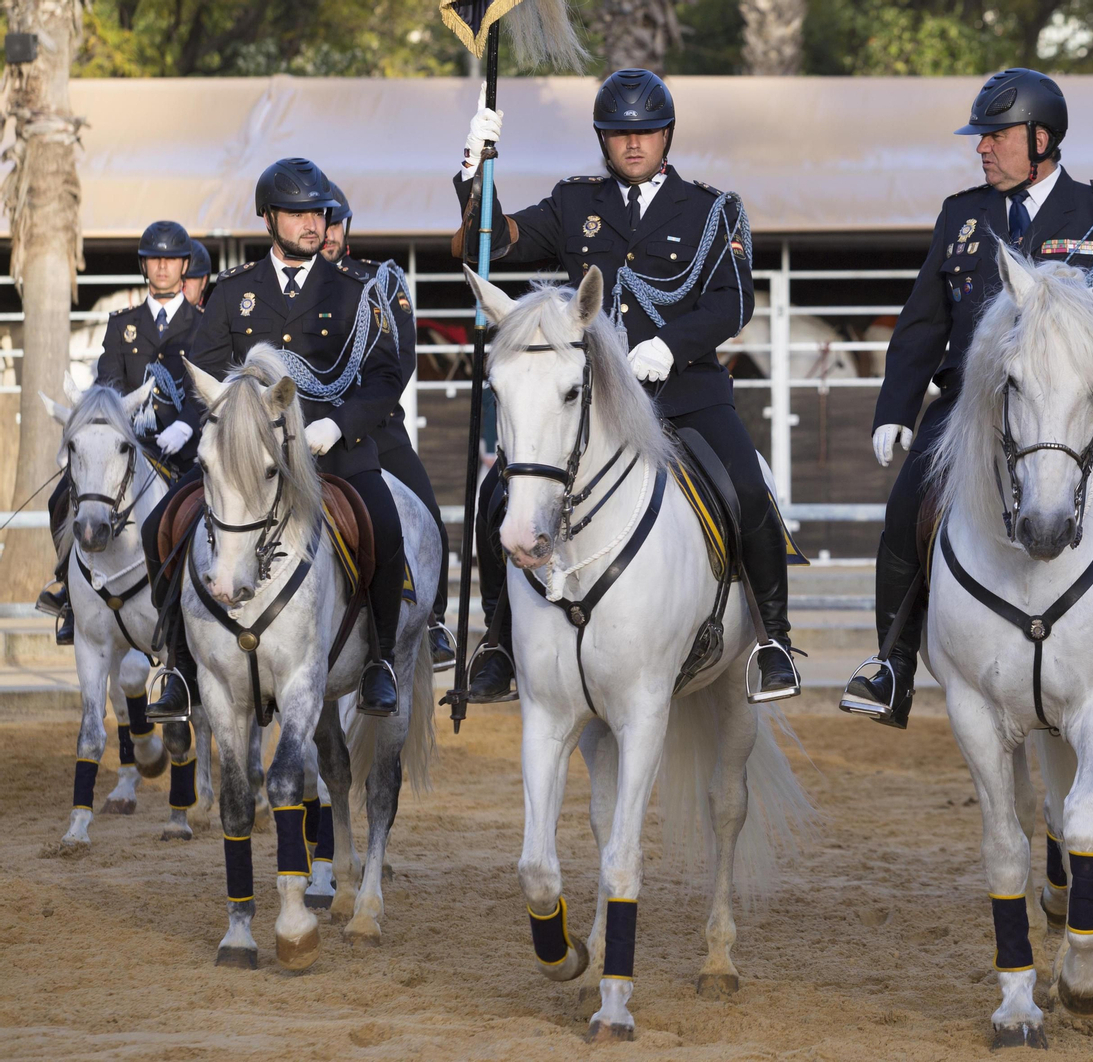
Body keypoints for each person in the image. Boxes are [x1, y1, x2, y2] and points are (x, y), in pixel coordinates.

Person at [838, 68, 1093, 729]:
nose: (982, 148)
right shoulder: (962, 215)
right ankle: (892, 664)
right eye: (981, 137)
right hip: (975, 405)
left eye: (996, 136)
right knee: (906, 509)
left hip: (1077, 403)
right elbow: (922, 323)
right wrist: (894, 408)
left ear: (1042, 138)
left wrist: (1083, 360)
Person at [453, 68, 798, 704]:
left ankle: (774, 640)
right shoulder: (575, 203)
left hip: (688, 392)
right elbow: (494, 246)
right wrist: (475, 173)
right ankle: (499, 642)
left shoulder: (713, 209)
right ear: (602, 139)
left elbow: (734, 301)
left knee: (748, 487)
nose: (633, 144)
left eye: (645, 132)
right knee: (497, 496)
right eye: (619, 134)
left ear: (667, 135)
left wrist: (671, 345)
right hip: (594, 404)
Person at [140, 157, 409, 722]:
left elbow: (387, 375)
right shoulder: (235, 290)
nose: (312, 224)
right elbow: (201, 372)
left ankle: (377, 662)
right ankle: (180, 668)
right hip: (244, 458)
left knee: (384, 525)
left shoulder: (355, 289)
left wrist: (338, 424)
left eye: (318, 213)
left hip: (330, 449)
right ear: (269, 219)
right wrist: (212, 428)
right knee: (158, 524)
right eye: (297, 214)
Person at [37, 221, 204, 646]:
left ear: (184, 265)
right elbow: (108, 383)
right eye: (154, 260)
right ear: (144, 267)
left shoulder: (202, 325)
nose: (162, 267)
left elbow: (209, 384)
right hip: (126, 448)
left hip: (183, 451)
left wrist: (186, 425)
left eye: (170, 259)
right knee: (62, 497)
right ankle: (70, 592)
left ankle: (199, 601)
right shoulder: (121, 324)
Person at [321, 181, 455, 668]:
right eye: (321, 222)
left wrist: (352, 416)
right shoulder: (291, 291)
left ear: (347, 227)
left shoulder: (380, 282)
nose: (328, 233)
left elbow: (401, 360)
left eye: (336, 222)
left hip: (379, 429)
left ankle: (434, 621)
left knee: (429, 518)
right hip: (314, 435)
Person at [183, 238, 212, 308]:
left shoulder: (212, 318)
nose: (183, 283)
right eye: (180, 278)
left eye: (190, 277)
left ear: (203, 282)